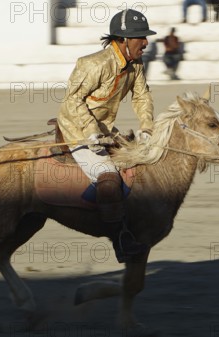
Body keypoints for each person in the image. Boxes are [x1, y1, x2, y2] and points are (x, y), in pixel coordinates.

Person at [56, 9, 155, 263]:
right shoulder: (93, 64)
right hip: (77, 131)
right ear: (122, 39)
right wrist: (90, 131)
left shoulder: (136, 64)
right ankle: (120, 240)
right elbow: (71, 101)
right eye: (140, 37)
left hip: (105, 130)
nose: (145, 42)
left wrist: (146, 127)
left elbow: (142, 96)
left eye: (145, 37)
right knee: (108, 176)